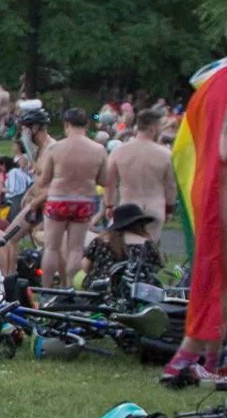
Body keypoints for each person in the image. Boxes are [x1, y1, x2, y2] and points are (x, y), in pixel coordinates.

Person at [26, 107, 108, 287]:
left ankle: (47, 290)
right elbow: (103, 179)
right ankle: (71, 288)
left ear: (66, 125)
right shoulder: (99, 149)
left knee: (52, 248)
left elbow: (44, 180)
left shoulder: (56, 148)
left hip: (59, 199)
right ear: (86, 125)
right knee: (76, 249)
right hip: (84, 201)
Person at [105, 107, 177, 237]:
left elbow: (109, 183)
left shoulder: (118, 152)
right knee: (150, 249)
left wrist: (109, 205)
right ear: (153, 128)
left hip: (127, 208)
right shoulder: (166, 154)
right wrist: (169, 209)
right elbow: (170, 186)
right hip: (154, 208)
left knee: (124, 249)